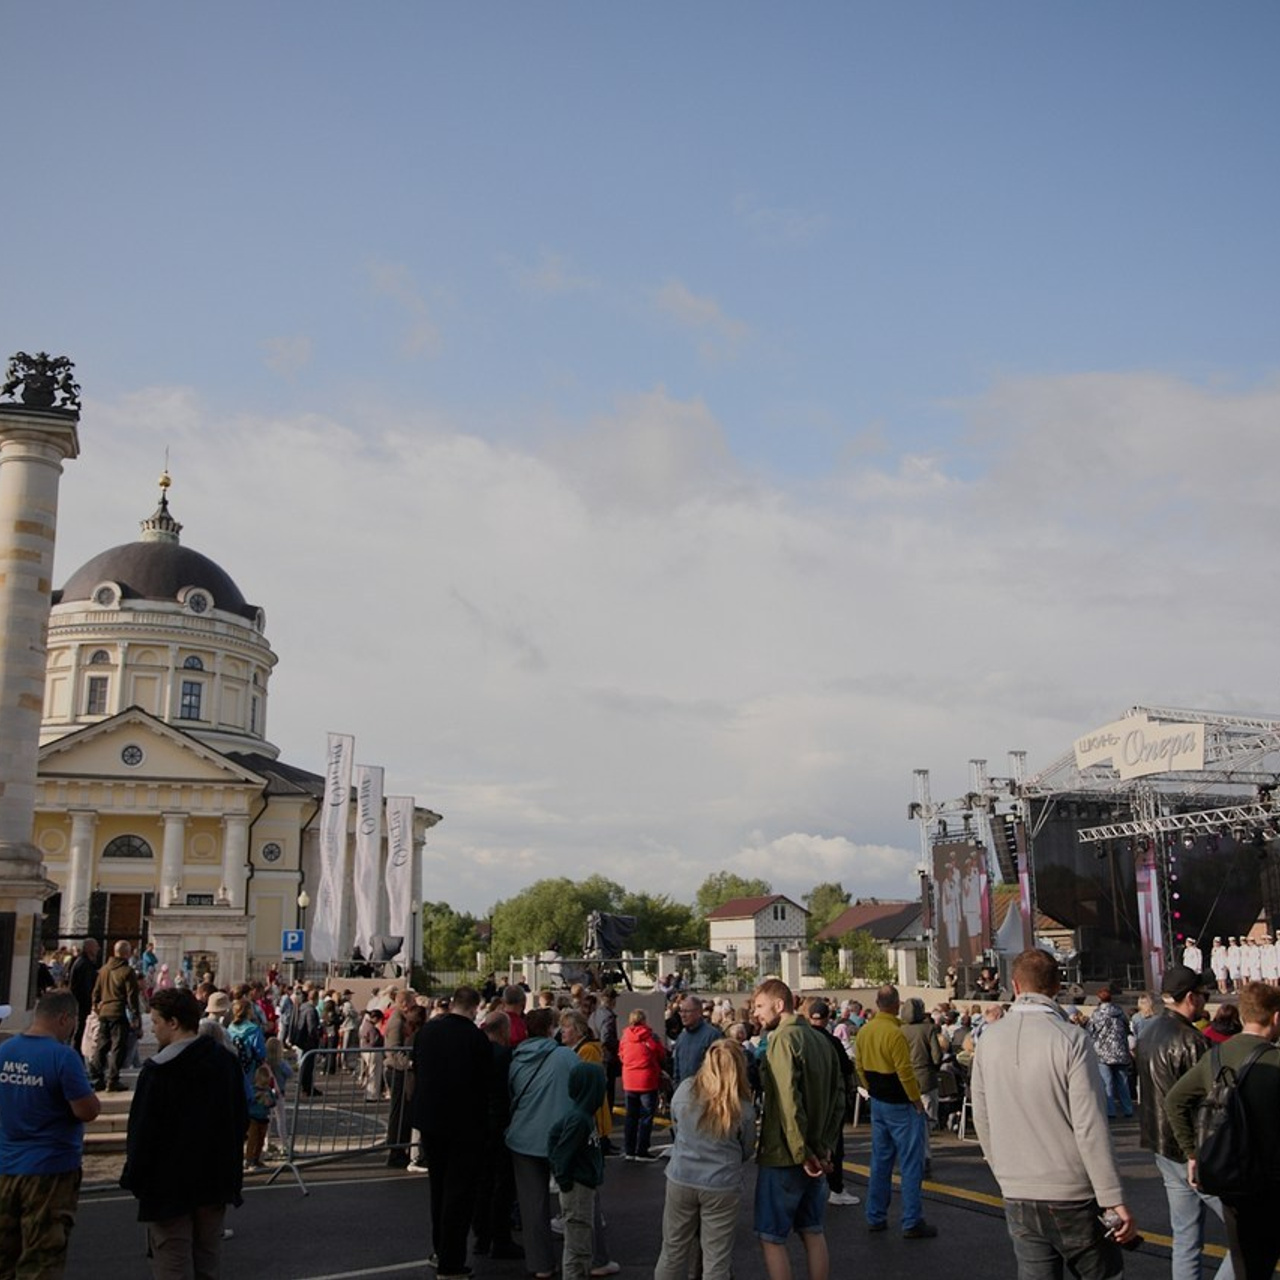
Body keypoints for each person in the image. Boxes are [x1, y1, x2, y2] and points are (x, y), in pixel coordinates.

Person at [971, 948, 1137, 1277]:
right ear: (1057, 986)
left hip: (1017, 1189)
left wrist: (1002, 1169)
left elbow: (982, 1116)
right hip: (1070, 1191)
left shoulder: (989, 1040)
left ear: (1015, 986)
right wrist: (1111, 1195)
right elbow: (1089, 1125)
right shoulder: (1072, 1039)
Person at [121, 986, 247, 1277]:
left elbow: (142, 1132)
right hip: (214, 1182)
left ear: (173, 1023)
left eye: (156, 1022)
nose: (154, 1029)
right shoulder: (225, 1062)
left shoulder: (159, 1071)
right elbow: (238, 1118)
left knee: (172, 1263)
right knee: (207, 1261)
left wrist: (137, 1179)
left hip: (170, 1187)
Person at [1166, 981, 1280, 1280]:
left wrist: (1192, 1151)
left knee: (1247, 1264)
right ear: (1276, 1017)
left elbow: (1175, 1099)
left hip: (1234, 1176)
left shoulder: (1215, 1057)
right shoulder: (1274, 1060)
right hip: (1272, 1179)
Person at [1133, 964, 1233, 1280]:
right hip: (1193, 1150)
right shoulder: (1192, 1041)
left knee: (1186, 1236)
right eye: (1203, 995)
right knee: (1249, 1229)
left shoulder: (1148, 1031)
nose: (1205, 1001)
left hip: (1161, 1143)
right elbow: (1210, 1102)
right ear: (1190, 997)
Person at [0, 989, 101, 1278]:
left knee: (5, 1253)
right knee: (43, 1256)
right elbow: (87, 1110)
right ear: (64, 1018)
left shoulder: (5, 1050)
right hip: (50, 1166)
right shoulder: (63, 1057)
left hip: (7, 1162)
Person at [751, 978, 845, 1280]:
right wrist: (825, 1146)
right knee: (813, 1232)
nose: (756, 1014)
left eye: (760, 1006)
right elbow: (840, 1095)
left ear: (780, 1005)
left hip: (785, 1154)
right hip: (818, 1152)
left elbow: (787, 1100)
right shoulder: (822, 1039)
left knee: (771, 1237)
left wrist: (801, 1151)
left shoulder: (781, 1040)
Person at [654, 1038, 756, 1280]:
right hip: (721, 1183)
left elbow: (676, 1128)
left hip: (682, 1177)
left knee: (672, 1249)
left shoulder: (685, 1090)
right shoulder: (742, 1107)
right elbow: (747, 1150)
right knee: (716, 1259)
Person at [411, 985, 493, 1280]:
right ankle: (451, 1262)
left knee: (438, 1188)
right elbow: (486, 1082)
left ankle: (439, 1250)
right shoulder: (475, 1038)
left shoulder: (428, 1032)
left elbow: (417, 1066)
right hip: (464, 1124)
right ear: (474, 1008)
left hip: (431, 1120)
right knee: (458, 1196)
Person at [856, 984, 935, 1238]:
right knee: (911, 1164)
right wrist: (916, 1101)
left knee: (880, 1161)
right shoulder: (895, 1033)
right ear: (895, 1004)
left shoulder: (865, 1031)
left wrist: (871, 1089)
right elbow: (905, 1071)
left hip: (878, 1100)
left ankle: (875, 1214)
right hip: (901, 1103)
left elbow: (859, 1067)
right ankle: (912, 1219)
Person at [506, 1007, 579, 1280]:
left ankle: (541, 1264)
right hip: (561, 1136)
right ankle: (587, 1258)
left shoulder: (516, 1059)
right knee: (577, 1200)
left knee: (532, 1206)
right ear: (551, 1028)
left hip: (523, 1136)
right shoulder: (565, 1056)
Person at [549, 1058, 608, 1280]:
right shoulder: (580, 1120)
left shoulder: (581, 1116)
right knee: (578, 1247)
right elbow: (561, 1151)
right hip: (578, 1188)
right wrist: (564, 1179)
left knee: (580, 1243)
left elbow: (555, 1136)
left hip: (582, 1186)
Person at [805, 1000, 858, 1206]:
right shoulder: (832, 1042)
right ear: (828, 1018)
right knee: (834, 1145)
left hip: (808, 1100)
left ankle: (809, 1187)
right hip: (830, 1100)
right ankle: (836, 1188)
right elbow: (846, 1068)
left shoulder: (803, 1039)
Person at [898, 995, 943, 1179]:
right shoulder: (929, 1029)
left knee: (908, 1123)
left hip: (905, 1081)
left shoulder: (899, 1031)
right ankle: (925, 1157)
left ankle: (911, 1157)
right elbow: (936, 1056)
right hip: (926, 1080)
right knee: (926, 1121)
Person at [90, 940, 142, 1092]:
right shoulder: (127, 971)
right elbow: (132, 997)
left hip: (105, 1011)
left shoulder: (104, 970)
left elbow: (96, 993)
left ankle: (96, 1076)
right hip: (119, 1012)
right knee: (118, 1047)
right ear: (126, 953)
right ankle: (113, 1079)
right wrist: (135, 1016)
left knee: (102, 1045)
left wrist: (96, 1007)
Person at [619, 1008, 666, 1161]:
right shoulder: (650, 1036)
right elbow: (660, 1053)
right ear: (644, 1020)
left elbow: (621, 1055)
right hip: (647, 1079)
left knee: (630, 1116)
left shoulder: (625, 1036)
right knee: (646, 1117)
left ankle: (629, 1150)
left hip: (629, 1079)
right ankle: (642, 1150)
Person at [1087, 989, 1134, 1119]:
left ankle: (1110, 1111)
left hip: (1103, 1053)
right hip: (1120, 1052)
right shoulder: (1119, 1012)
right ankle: (1128, 1109)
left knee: (1107, 1084)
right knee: (1123, 1083)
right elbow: (1127, 1029)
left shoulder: (1097, 1014)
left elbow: (1090, 1031)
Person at [383, 989, 417, 1165]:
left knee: (403, 1113)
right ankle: (395, 1151)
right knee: (398, 1112)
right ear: (405, 1004)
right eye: (412, 1003)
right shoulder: (397, 1022)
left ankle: (399, 1148)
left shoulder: (399, 1019)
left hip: (399, 1069)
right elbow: (394, 1049)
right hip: (397, 1070)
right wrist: (409, 1064)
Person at [671, 995, 723, 1086]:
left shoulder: (712, 1035)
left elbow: (719, 1068)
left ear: (699, 1012)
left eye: (687, 1011)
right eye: (681, 1011)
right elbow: (677, 1069)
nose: (683, 1015)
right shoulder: (681, 1038)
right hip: (684, 1093)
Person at [67, 938, 101, 1060]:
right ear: (89, 948)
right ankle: (75, 1058)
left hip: (80, 1004)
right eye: (96, 946)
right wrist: (92, 1004)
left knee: (80, 1033)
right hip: (81, 1005)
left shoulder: (84, 963)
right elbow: (86, 988)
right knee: (79, 1033)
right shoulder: (84, 964)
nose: (98, 949)